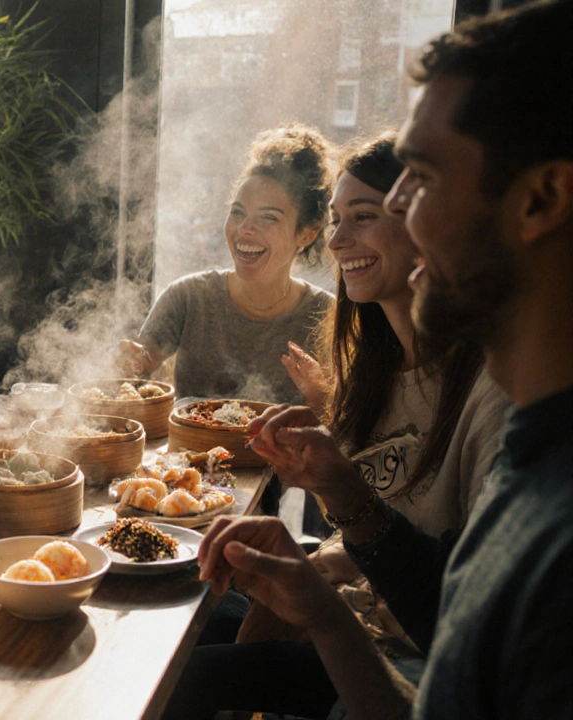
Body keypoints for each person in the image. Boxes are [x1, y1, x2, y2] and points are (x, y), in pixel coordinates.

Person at [198, 2, 573, 718]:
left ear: (544, 198)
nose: (396, 213)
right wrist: (321, 604)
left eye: (422, 178)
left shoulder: (554, 532)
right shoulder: (534, 459)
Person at [162, 136, 511, 719]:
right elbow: (349, 527)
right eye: (335, 221)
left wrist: (339, 500)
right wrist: (323, 473)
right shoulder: (376, 370)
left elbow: (462, 619)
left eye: (364, 218)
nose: (339, 240)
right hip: (341, 604)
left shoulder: (489, 393)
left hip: (391, 653)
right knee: (172, 608)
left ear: (428, 225)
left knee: (182, 679)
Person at [117, 124, 336, 404]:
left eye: (268, 217)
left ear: (307, 233)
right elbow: (135, 375)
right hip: (189, 449)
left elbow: (345, 428)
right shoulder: (188, 297)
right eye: (237, 212)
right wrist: (129, 362)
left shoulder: (326, 317)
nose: (244, 229)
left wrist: (322, 398)